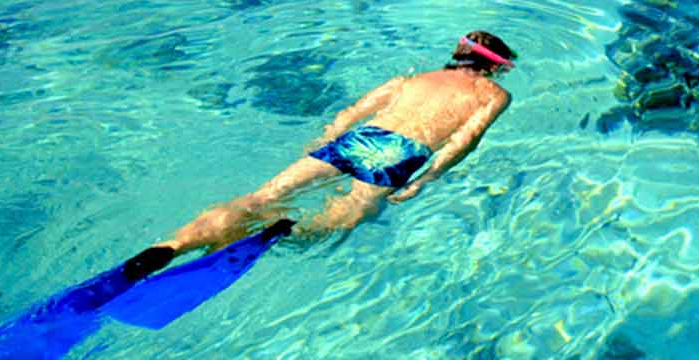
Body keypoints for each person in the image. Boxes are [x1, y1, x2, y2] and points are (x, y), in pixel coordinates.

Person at [122, 31, 516, 279]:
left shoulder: (410, 80)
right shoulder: (492, 94)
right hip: (400, 153)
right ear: (494, 70)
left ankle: (171, 246)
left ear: (458, 54)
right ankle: (278, 233)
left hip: (358, 138)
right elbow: (467, 138)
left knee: (261, 196)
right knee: (350, 213)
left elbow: (349, 114)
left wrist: (321, 144)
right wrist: (426, 179)